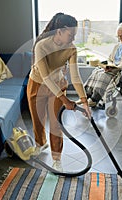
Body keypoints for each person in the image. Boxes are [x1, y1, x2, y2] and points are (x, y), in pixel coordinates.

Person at [27, 13, 91, 170]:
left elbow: (76, 77)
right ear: (60, 31)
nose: (73, 39)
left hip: (58, 83)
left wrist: (85, 102)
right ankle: (40, 144)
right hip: (37, 83)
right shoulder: (42, 45)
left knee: (56, 123)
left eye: (75, 35)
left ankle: (57, 159)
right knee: (38, 119)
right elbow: (45, 77)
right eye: (71, 35)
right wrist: (66, 100)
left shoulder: (71, 49)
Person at [78, 22, 122, 107]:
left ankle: (95, 99)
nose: (120, 38)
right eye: (118, 36)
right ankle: (86, 95)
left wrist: (114, 68)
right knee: (96, 72)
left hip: (120, 69)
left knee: (103, 75)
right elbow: (110, 58)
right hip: (112, 67)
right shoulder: (117, 45)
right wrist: (108, 66)